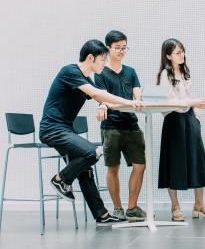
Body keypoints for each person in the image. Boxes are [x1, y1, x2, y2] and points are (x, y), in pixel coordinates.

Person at [39, 39, 143, 226]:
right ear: (90, 57)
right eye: (102, 60)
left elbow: (105, 99)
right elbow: (96, 94)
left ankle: (101, 215)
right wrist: (128, 102)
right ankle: (60, 179)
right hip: (52, 129)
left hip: (64, 129)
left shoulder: (85, 79)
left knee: (85, 171)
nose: (104, 63)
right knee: (92, 152)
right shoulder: (70, 71)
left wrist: (127, 103)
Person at [156, 38, 205, 221]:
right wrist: (191, 103)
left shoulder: (185, 73)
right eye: (177, 52)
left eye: (182, 51)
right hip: (174, 122)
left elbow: (192, 97)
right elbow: (168, 103)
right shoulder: (164, 75)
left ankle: (199, 205)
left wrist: (196, 116)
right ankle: (175, 207)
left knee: (197, 161)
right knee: (174, 163)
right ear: (168, 56)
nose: (181, 55)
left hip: (190, 119)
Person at [95, 30, 146, 221]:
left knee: (140, 165)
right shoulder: (101, 73)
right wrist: (104, 104)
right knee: (113, 167)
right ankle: (118, 208)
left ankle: (132, 207)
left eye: (124, 48)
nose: (122, 51)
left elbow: (137, 94)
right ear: (108, 48)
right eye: (118, 48)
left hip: (132, 125)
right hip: (111, 127)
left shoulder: (131, 71)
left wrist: (137, 101)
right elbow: (102, 97)